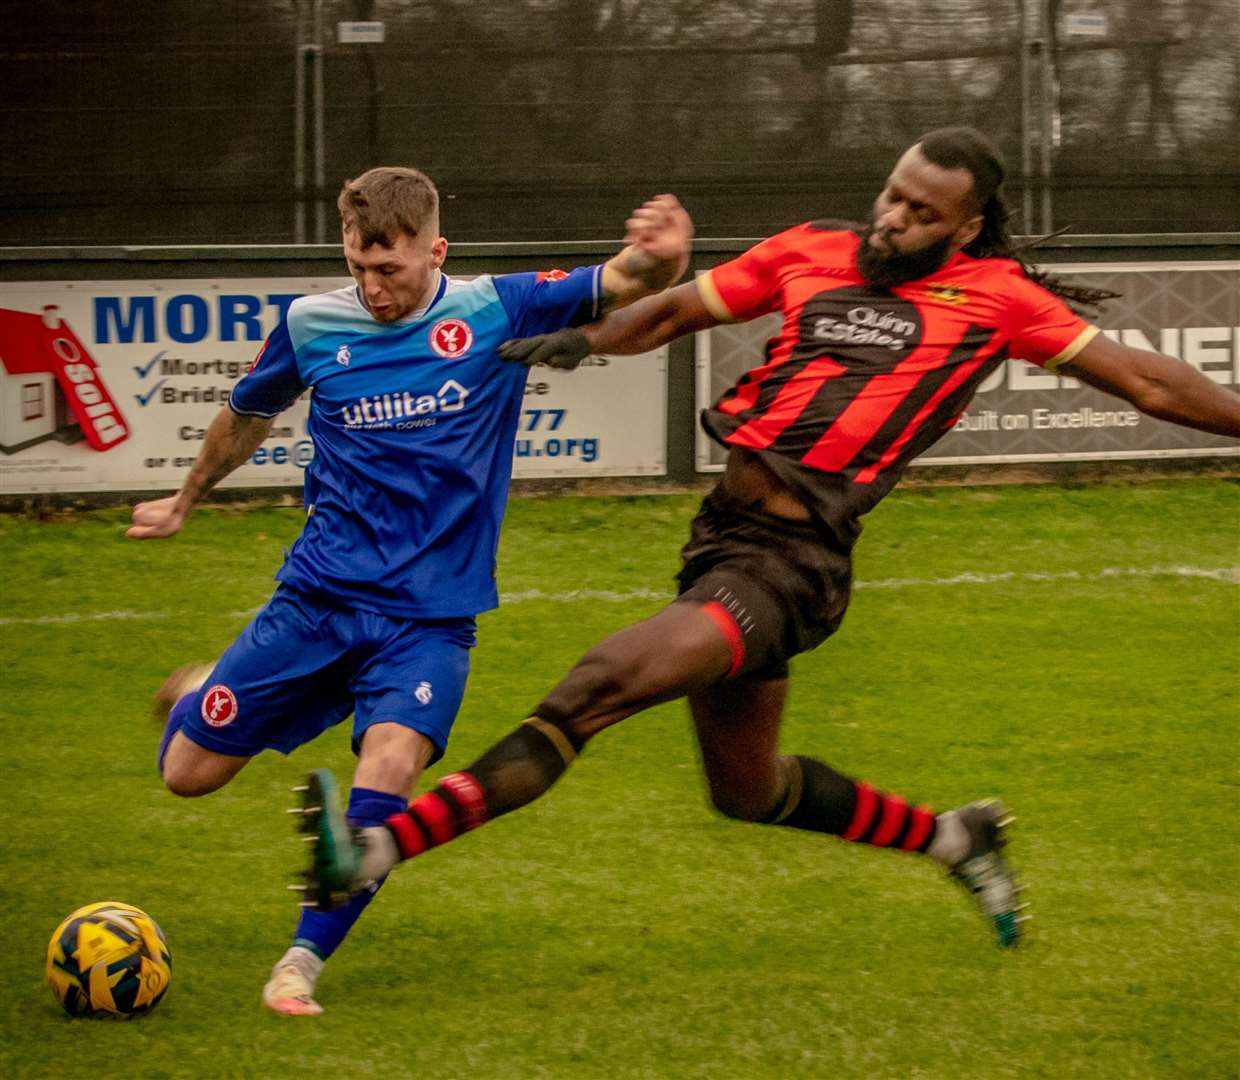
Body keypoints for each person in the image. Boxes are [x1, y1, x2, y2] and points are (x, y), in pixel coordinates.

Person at [297, 127, 1240, 952]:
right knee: (747, 791)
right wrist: (590, 339)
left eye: (920, 211)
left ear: (961, 226)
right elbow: (675, 311)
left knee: (595, 689)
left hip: (794, 566)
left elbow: (1148, 383)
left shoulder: (996, 297)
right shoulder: (809, 250)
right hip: (723, 540)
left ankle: (374, 849)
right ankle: (959, 838)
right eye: (892, 193)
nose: (893, 218)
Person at [126, 167, 693, 1015]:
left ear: (437, 250)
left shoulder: (496, 307)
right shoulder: (311, 325)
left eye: (389, 269)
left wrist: (662, 255)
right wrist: (186, 495)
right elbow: (248, 412)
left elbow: (626, 281)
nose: (372, 288)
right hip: (315, 601)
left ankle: (300, 965)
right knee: (187, 775)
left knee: (389, 767)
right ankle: (204, 689)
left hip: (429, 620)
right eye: (358, 266)